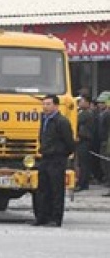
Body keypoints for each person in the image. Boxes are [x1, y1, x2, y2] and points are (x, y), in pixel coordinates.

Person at [33, 94, 76, 226]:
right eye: (44, 104)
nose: (45, 107)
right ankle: (42, 217)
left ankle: (55, 218)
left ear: (56, 106)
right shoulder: (44, 119)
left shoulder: (61, 121)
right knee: (42, 189)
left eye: (48, 104)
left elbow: (69, 142)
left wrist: (61, 153)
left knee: (56, 190)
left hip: (57, 159)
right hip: (45, 158)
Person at [75, 95, 94, 191]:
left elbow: (76, 121)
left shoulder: (86, 113)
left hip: (84, 140)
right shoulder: (82, 112)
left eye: (82, 101)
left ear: (87, 103)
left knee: (83, 164)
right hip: (82, 140)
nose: (79, 103)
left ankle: (82, 183)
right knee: (82, 163)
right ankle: (83, 182)